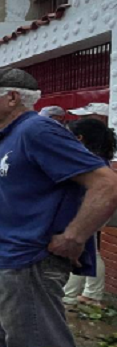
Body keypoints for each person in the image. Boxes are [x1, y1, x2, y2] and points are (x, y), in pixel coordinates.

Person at [0, 67, 117, 347]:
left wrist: (75, 235)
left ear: (13, 97)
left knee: (36, 339)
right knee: (1, 335)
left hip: (27, 259)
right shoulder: (6, 135)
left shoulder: (37, 130)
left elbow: (106, 184)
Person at [63, 118, 116, 308]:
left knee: (78, 250)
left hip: (88, 210)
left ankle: (72, 296)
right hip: (93, 209)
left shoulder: (89, 160)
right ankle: (90, 294)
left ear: (79, 138)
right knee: (91, 249)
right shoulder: (99, 157)